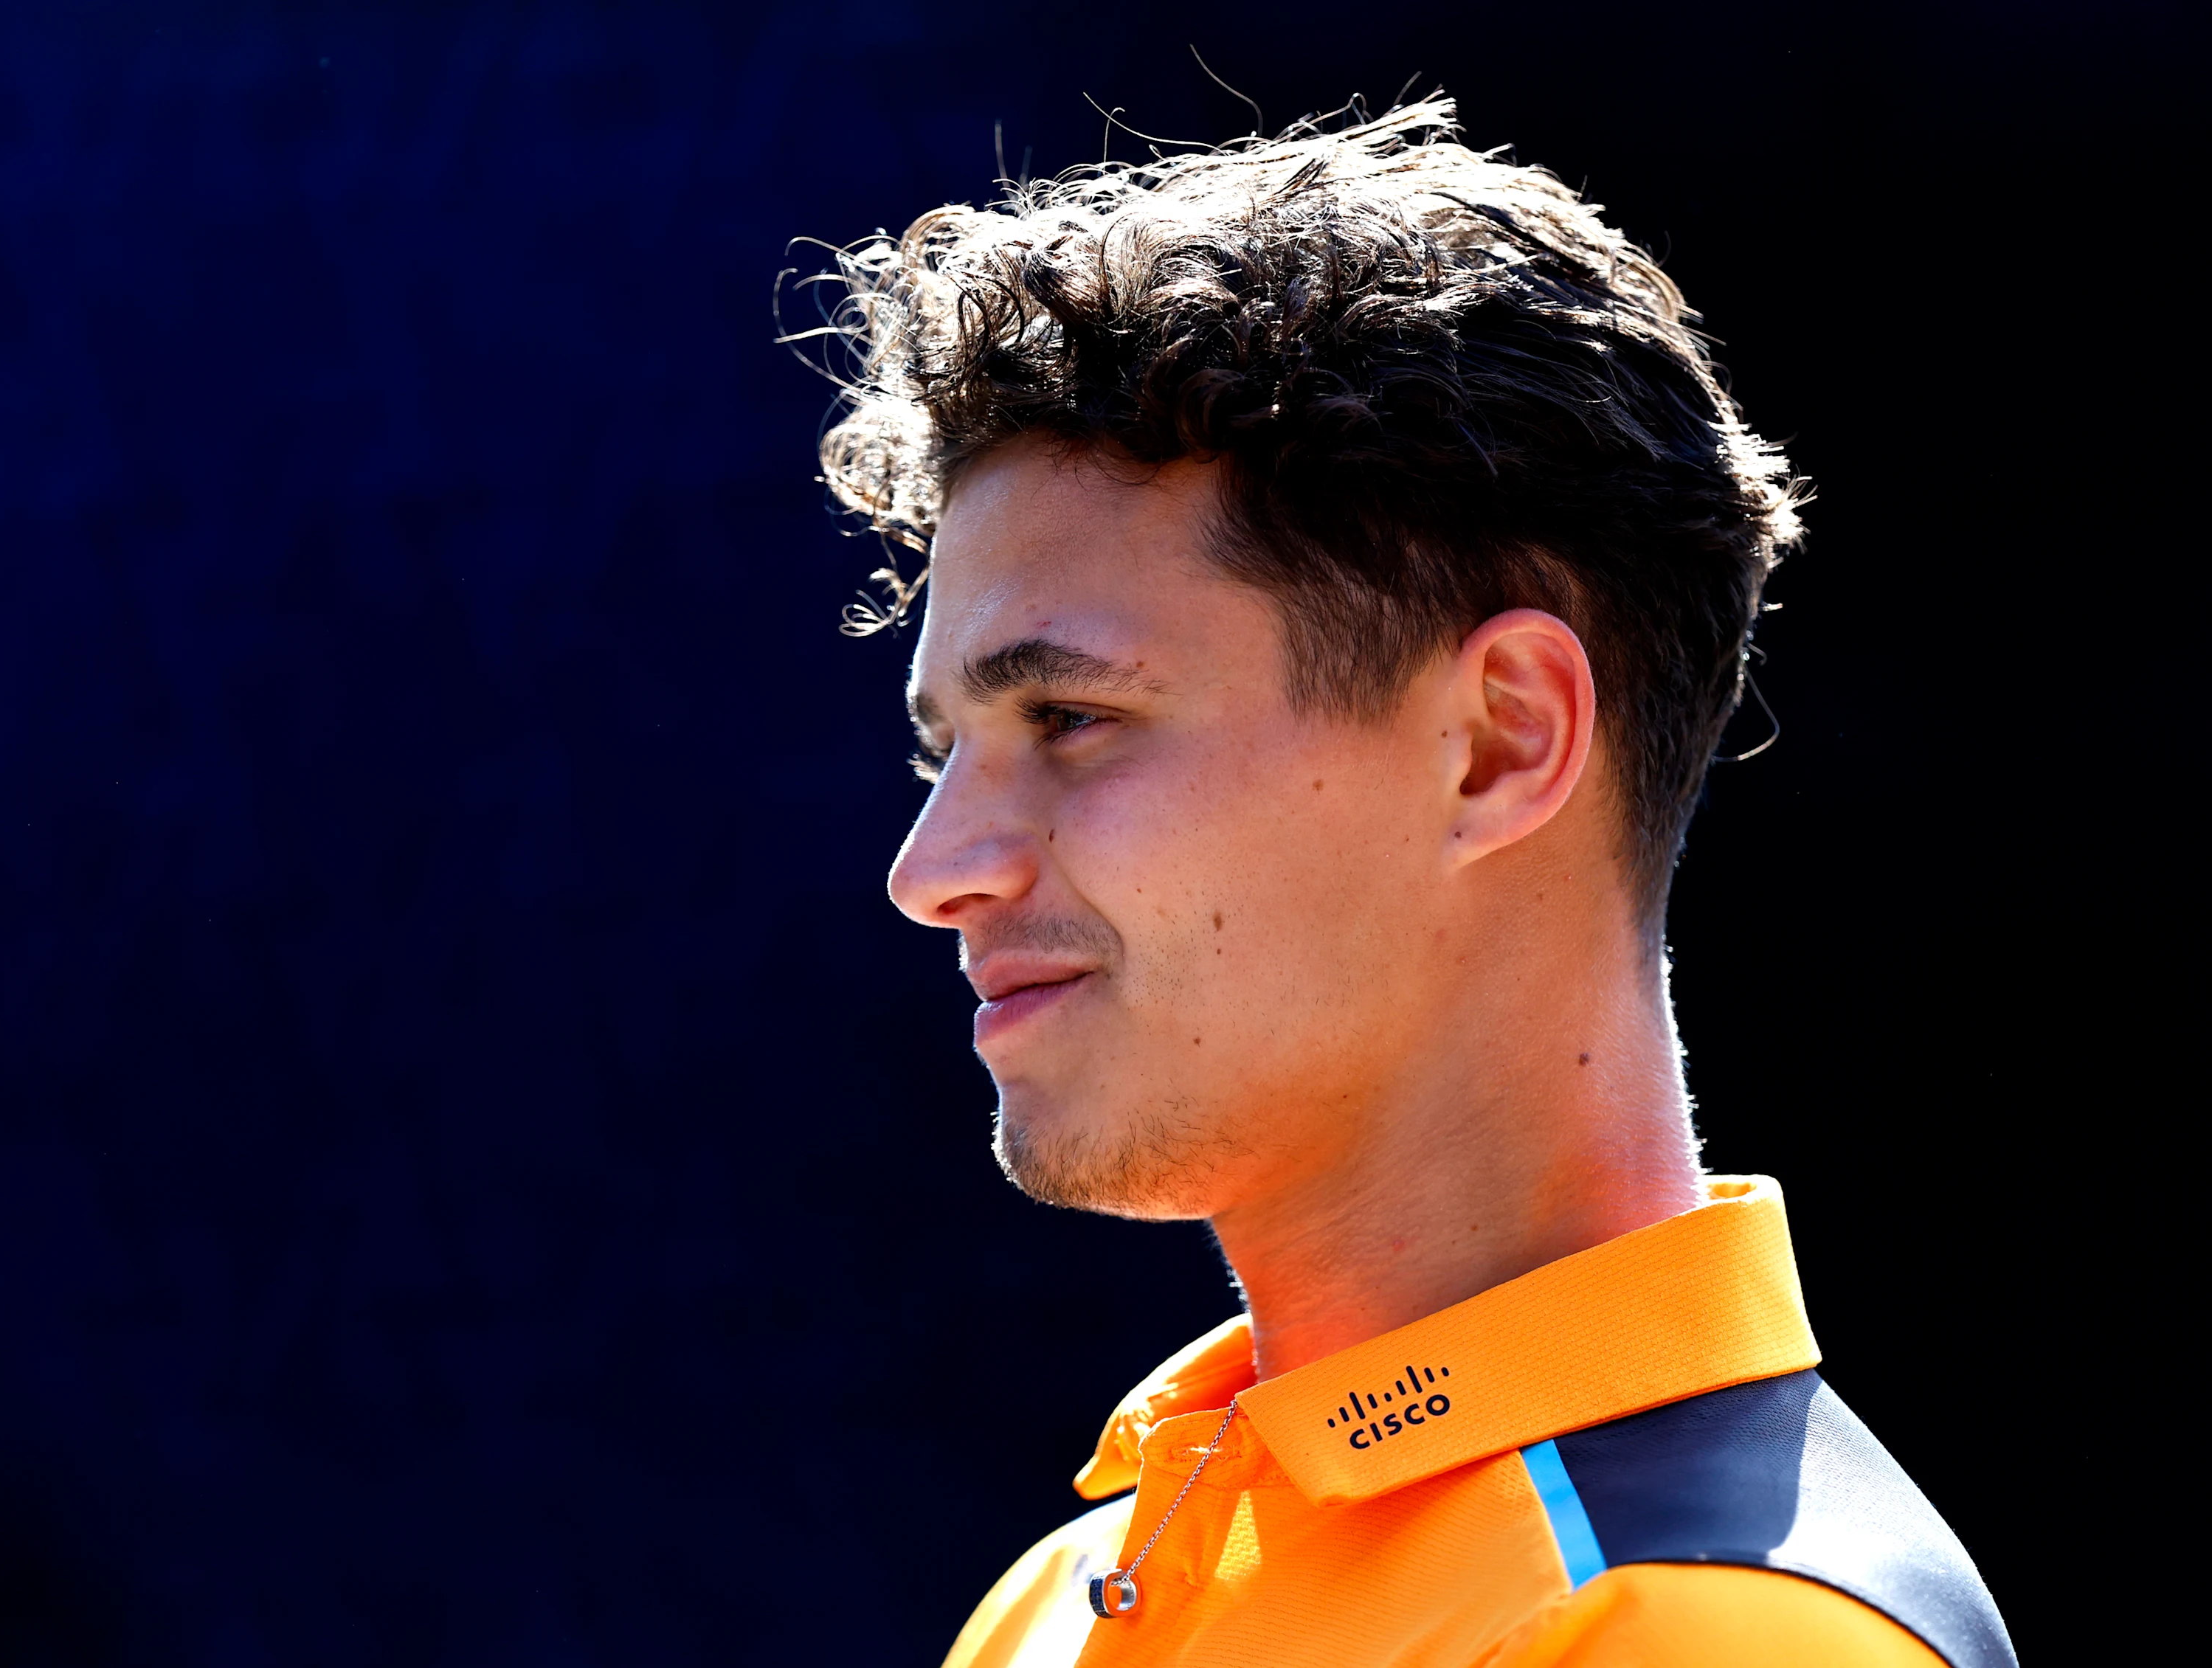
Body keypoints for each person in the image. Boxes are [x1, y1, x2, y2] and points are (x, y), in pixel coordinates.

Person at [797, 95, 2013, 1667]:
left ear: (1500, 742)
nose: (934, 867)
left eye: (1071, 719)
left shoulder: (1707, 1628)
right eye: (943, 751)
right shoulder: (1057, 1594)